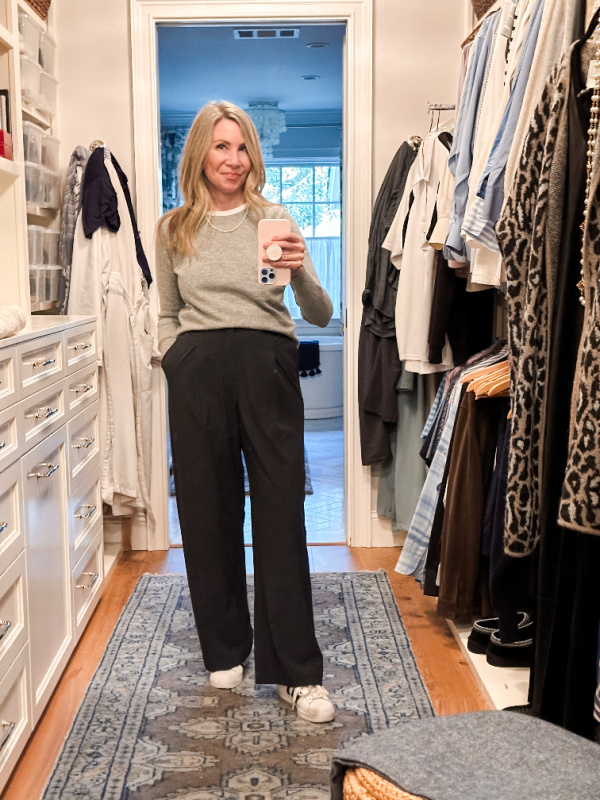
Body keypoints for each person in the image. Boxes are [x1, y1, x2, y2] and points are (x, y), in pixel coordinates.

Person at [155, 101, 335, 723]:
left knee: (281, 513)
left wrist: (298, 267)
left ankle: (296, 673)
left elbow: (318, 313)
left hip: (268, 367)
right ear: (200, 153)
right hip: (198, 370)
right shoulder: (172, 228)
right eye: (221, 146)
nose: (233, 160)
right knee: (207, 510)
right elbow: (165, 310)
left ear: (254, 156)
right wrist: (171, 356)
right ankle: (225, 648)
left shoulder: (275, 218)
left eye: (243, 148)